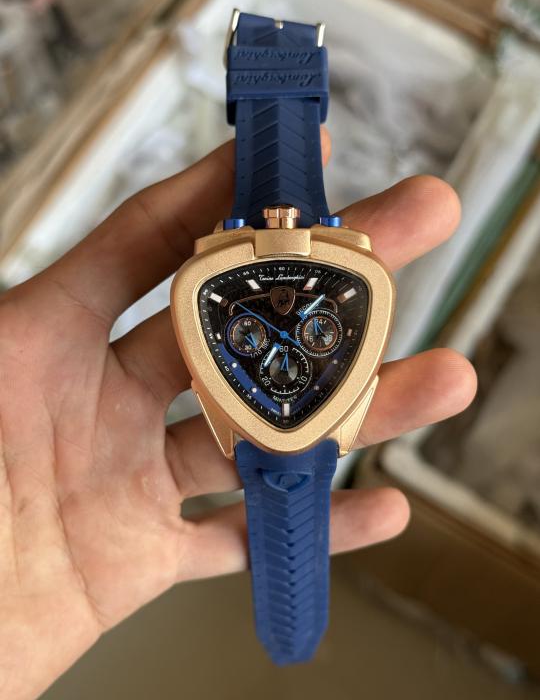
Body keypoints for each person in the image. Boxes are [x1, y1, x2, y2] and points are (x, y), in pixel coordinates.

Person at [0, 133, 476, 700]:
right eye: (257, 333)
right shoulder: (265, 290)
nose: (284, 340)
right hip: (282, 414)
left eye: (315, 329)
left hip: (302, 408)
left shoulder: (254, 292)